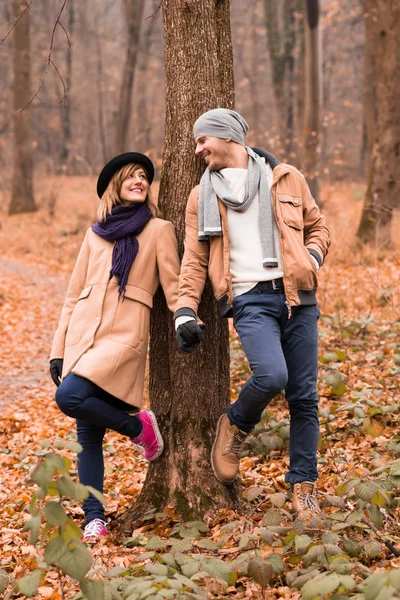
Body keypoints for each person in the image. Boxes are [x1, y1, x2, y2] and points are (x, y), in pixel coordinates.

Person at [174, 109, 331, 518]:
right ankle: (236, 424)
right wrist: (185, 309)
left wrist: (312, 257)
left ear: (227, 137)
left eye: (202, 140)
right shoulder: (201, 197)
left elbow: (318, 227)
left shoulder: (286, 178)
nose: (198, 150)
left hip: (299, 296)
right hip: (249, 299)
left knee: (304, 396)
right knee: (272, 375)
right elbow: (194, 260)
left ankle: (303, 488)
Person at [50, 152, 180, 542]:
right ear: (116, 186)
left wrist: (185, 316)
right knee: (87, 437)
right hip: (82, 337)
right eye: (131, 177)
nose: (140, 181)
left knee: (68, 396)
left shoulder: (159, 229)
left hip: (123, 338)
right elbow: (73, 295)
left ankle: (137, 426)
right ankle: (95, 518)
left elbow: (173, 285)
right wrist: (59, 347)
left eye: (144, 176)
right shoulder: (95, 233)